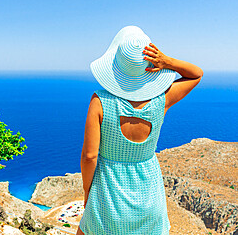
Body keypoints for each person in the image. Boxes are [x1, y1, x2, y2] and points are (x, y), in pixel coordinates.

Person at [77, 26, 203, 235]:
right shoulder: (161, 99)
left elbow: (89, 156)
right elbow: (196, 74)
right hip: (149, 196)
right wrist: (166, 62)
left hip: (108, 196)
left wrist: (87, 191)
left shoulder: (100, 101)